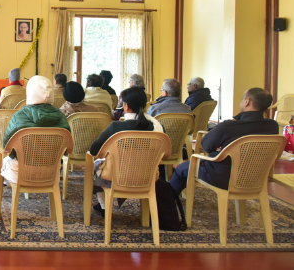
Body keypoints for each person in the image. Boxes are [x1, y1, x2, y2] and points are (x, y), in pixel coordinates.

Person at [169, 88, 279, 196]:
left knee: (181, 169)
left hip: (223, 177)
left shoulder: (229, 126)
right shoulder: (273, 127)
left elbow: (205, 145)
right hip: (255, 178)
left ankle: (169, 200)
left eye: (242, 99)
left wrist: (221, 148)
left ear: (247, 102)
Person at [89, 87, 164, 217]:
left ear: (126, 106)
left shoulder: (116, 127)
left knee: (96, 166)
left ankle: (104, 207)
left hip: (117, 175)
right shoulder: (156, 127)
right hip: (147, 175)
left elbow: (94, 150)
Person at [0, 75, 70, 183]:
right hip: (51, 173)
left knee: (5, 160)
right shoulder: (62, 117)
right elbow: (67, 149)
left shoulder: (18, 117)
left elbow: (7, 148)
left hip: (21, 173)